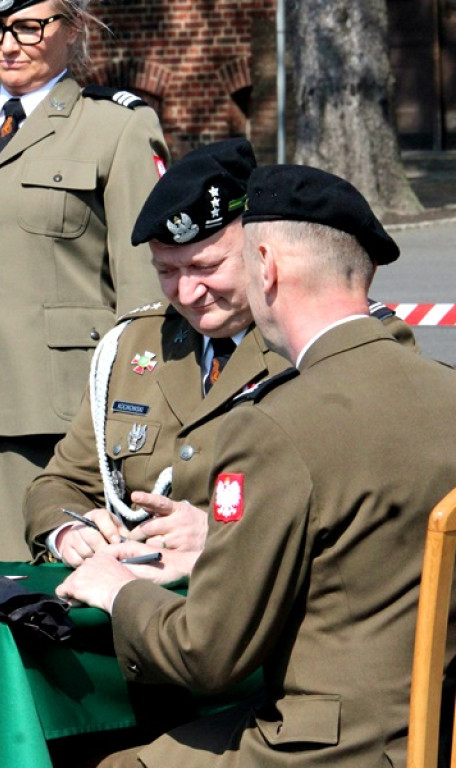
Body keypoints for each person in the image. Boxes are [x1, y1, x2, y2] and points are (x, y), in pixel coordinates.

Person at [56, 163, 456, 767]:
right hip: (433, 728)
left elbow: (207, 656)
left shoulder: (274, 425)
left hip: (326, 748)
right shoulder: (442, 391)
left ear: (264, 267)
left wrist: (116, 592)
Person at [24, 138, 417, 581]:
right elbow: (60, 483)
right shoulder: (133, 346)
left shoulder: (343, 338)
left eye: (207, 267)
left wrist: (221, 532)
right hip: (137, 608)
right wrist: (67, 531)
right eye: (167, 272)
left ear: (259, 251)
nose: (187, 293)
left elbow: (377, 501)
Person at [0, 0, 170, 560]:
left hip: (72, 413)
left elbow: (145, 286)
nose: (8, 44)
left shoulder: (116, 127)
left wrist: (137, 414)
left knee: (82, 594)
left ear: (72, 29)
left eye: (28, 26)